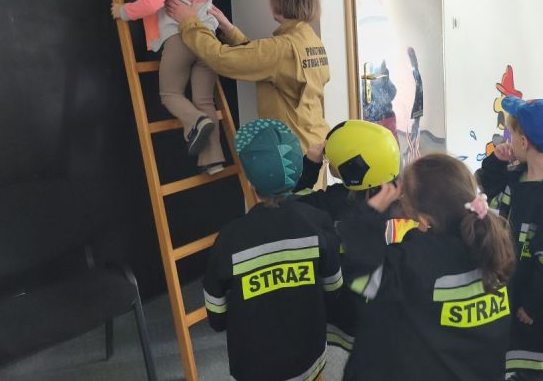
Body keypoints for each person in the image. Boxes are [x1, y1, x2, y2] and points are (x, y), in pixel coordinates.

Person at [338, 154, 515, 381]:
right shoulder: (494, 243)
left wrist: (370, 215)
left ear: (422, 219)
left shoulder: (413, 259)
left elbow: (363, 279)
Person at [202, 119, 341, 381]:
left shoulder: (228, 240)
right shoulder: (318, 223)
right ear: (296, 174)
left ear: (251, 184)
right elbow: (333, 289)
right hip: (309, 360)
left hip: (252, 369)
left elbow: (217, 318)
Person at [111, 0, 226, 174]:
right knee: (205, 99)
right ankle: (214, 160)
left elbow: (151, 3)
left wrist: (123, 11)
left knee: (171, 94)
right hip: (209, 42)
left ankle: (195, 121)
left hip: (180, 40)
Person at [477, 97, 543, 379]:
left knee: (531, 369)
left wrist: (533, 305)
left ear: (523, 142)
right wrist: (496, 162)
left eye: (510, 135)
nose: (507, 140)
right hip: (513, 286)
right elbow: (489, 191)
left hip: (534, 314)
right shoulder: (518, 175)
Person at [166, 0, 330, 150]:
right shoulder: (311, 41)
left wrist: (189, 22)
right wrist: (229, 30)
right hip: (316, 141)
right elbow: (264, 61)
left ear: (280, 2)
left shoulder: (281, 48)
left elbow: (221, 58)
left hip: (293, 151)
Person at [292, 119, 407, 353]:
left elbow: (295, 202)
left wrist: (311, 164)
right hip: (385, 307)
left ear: (352, 170)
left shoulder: (331, 202)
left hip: (344, 306)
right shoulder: (400, 200)